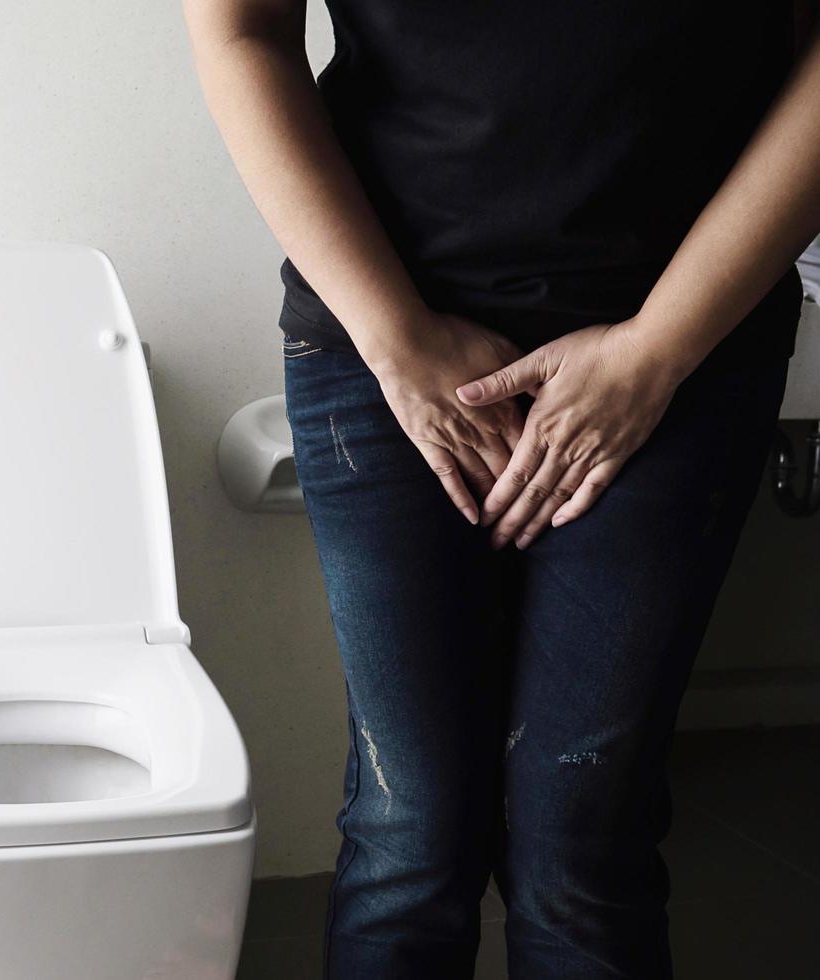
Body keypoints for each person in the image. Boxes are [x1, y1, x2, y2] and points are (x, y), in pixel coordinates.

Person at [182, 1, 820, 977]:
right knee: (410, 832)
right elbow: (239, 32)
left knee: (582, 841)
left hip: (683, 352)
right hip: (385, 338)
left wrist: (655, 352)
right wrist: (397, 340)